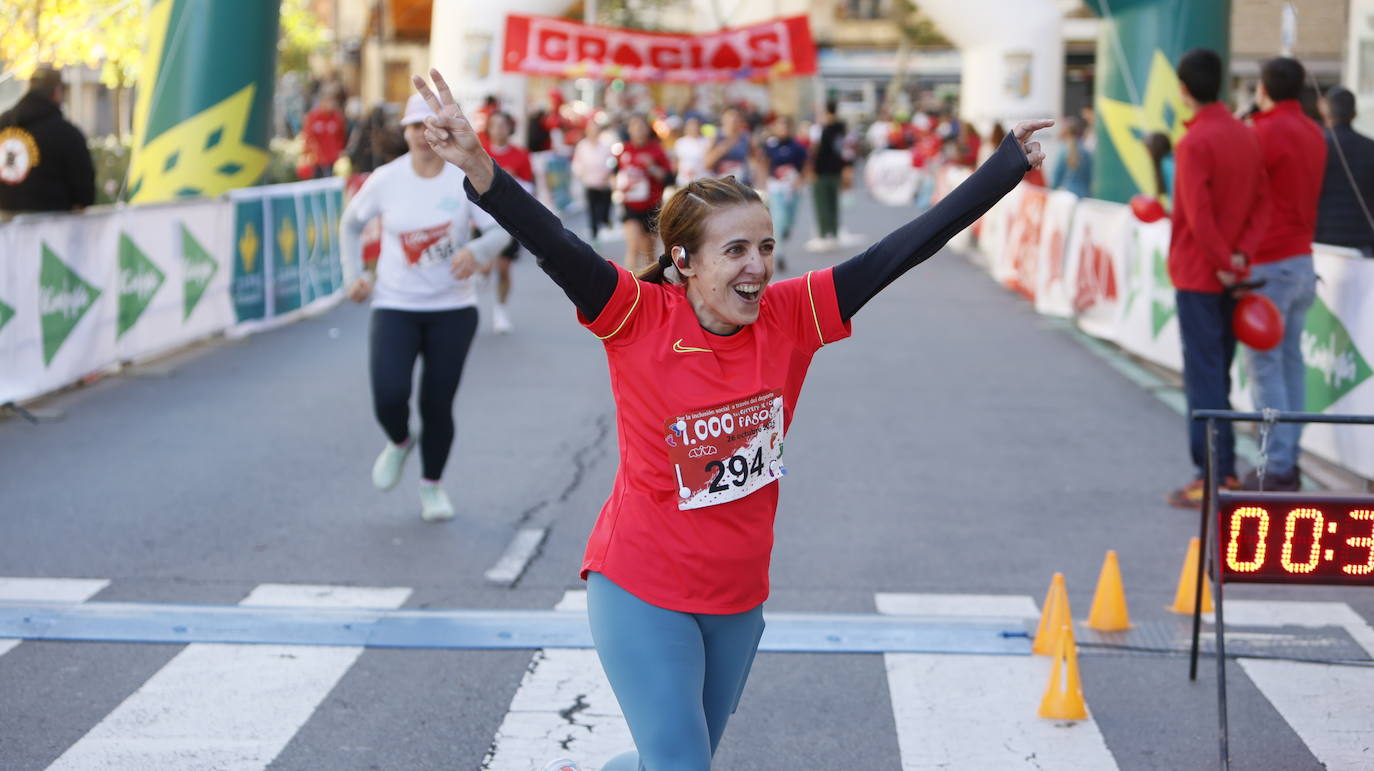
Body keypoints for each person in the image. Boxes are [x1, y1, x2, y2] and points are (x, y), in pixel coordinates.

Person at [412, 67, 1048, 771]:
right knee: (682, 765)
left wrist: (1005, 166)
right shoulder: (635, 315)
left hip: (738, 594)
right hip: (641, 584)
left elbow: (901, 249)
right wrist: (478, 166)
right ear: (683, 261)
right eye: (736, 250)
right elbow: (553, 240)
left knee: (677, 762)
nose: (758, 267)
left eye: (766, 247)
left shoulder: (793, 315)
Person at [338, 93, 513, 522]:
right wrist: (354, 274)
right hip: (395, 304)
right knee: (389, 395)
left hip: (452, 309)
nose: (421, 135)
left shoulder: (462, 178)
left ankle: (431, 487)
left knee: (437, 404)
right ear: (405, 132)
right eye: (413, 127)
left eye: (428, 126)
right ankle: (399, 440)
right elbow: (351, 223)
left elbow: (503, 229)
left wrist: (476, 250)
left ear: (443, 132)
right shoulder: (386, 178)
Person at [1165, 49, 1270, 509]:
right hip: (1235, 272)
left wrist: (1222, 258)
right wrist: (1241, 254)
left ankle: (1212, 474)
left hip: (1199, 273)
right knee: (1219, 375)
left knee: (1204, 381)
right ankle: (1222, 467)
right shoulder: (1245, 136)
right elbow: (1265, 203)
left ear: (1183, 89)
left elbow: (1196, 213)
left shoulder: (1193, 143)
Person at [1239, 57, 1327, 491]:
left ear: (1263, 88)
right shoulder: (1315, 132)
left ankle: (1275, 465)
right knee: (1291, 363)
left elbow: (1244, 191)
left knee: (1266, 368)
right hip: (1302, 259)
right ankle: (1287, 458)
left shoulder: (1261, 133)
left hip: (1268, 260)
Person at [0, 66, 95, 215]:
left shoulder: (3, 124)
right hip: (52, 228)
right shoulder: (65, 133)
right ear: (57, 91)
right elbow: (85, 193)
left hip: (5, 228)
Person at [478, 111, 534, 334]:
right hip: (482, 218)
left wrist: (512, 179)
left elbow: (530, 188)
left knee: (503, 268)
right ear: (489, 128)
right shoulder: (480, 153)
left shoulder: (520, 155)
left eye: (503, 125)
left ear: (509, 128)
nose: (499, 130)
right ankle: (482, 276)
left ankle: (500, 311)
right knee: (483, 265)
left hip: (509, 220)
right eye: (494, 125)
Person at [1316, 87, 1374, 255]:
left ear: (1323, 109)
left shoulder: (1315, 146)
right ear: (1354, 113)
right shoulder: (1370, 148)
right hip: (1363, 241)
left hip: (1321, 239)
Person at [613, 114, 672, 273]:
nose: (638, 130)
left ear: (647, 129)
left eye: (641, 127)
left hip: (652, 205)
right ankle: (628, 287)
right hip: (630, 205)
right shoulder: (624, 149)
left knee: (649, 253)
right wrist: (617, 188)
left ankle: (649, 286)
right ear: (629, 130)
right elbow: (614, 173)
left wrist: (651, 167)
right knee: (633, 245)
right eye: (635, 126)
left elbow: (668, 178)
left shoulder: (656, 150)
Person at [761, 115, 808, 273]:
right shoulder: (770, 145)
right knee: (779, 220)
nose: (783, 130)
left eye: (786, 126)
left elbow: (807, 165)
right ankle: (779, 253)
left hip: (792, 188)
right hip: (777, 187)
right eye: (780, 126)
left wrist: (800, 180)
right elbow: (764, 163)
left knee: (789, 220)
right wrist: (765, 182)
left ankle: (784, 233)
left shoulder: (797, 147)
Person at [807, 101, 849, 252]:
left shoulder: (821, 129)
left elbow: (814, 151)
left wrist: (811, 170)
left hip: (822, 171)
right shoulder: (841, 128)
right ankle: (833, 232)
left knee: (822, 203)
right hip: (835, 169)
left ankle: (825, 233)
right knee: (833, 202)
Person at [572, 125, 617, 244]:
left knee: (605, 206)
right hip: (590, 182)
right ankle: (594, 232)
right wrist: (581, 174)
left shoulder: (605, 146)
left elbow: (611, 162)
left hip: (604, 182)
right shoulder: (582, 146)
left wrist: (609, 173)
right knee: (592, 208)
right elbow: (577, 163)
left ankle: (604, 221)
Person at [301, 86, 347, 179]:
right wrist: (310, 153)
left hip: (332, 159)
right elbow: (308, 136)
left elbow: (341, 136)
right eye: (328, 101)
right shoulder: (313, 117)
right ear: (322, 102)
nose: (331, 104)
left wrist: (338, 151)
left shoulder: (337, 118)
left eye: (332, 101)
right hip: (316, 160)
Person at [704, 107, 754, 184]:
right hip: (721, 183)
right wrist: (721, 150)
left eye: (737, 117)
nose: (733, 120)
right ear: (723, 119)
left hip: (741, 183)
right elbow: (706, 164)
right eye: (730, 117)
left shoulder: (746, 137)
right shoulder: (716, 136)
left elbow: (757, 160)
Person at [1050, 116, 1093, 197]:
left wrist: (1051, 192)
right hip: (1084, 195)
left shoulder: (1062, 151)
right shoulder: (1086, 151)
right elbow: (1089, 177)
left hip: (1066, 195)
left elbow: (1056, 177)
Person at [672, 116, 710, 185]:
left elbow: (708, 160)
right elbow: (677, 160)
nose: (693, 128)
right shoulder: (680, 142)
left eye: (696, 125)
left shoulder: (706, 141)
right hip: (683, 180)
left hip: (701, 179)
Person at [1143, 132, 1175, 208]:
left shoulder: (1168, 163)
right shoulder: (1169, 160)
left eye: (1148, 149)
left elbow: (1175, 192)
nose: (1147, 153)